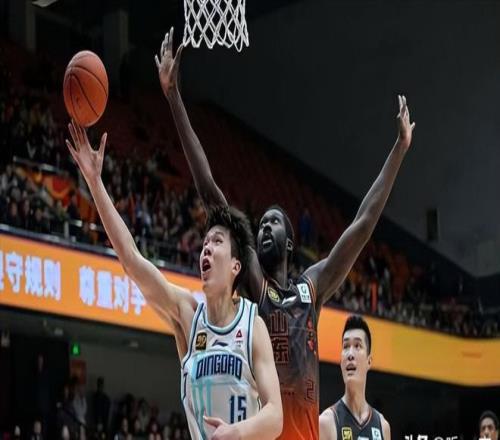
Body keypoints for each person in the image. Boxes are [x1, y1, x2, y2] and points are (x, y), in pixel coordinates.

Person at [156, 27, 415, 440]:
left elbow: (363, 224)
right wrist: (173, 97)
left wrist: (399, 149)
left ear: (291, 243)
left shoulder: (312, 288)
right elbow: (209, 192)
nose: (264, 226)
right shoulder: (255, 283)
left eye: (274, 222)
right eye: (261, 223)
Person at [66, 121, 282, 440]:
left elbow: (275, 416)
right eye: (204, 243)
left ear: (236, 266)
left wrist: (235, 432)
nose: (206, 248)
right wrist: (95, 183)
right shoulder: (188, 316)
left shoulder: (253, 325)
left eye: (217, 242)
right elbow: (132, 261)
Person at [319, 315, 390, 440]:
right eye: (346, 346)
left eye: (357, 346)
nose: (350, 354)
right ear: (341, 362)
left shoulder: (383, 426)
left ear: (369, 361)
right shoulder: (326, 422)